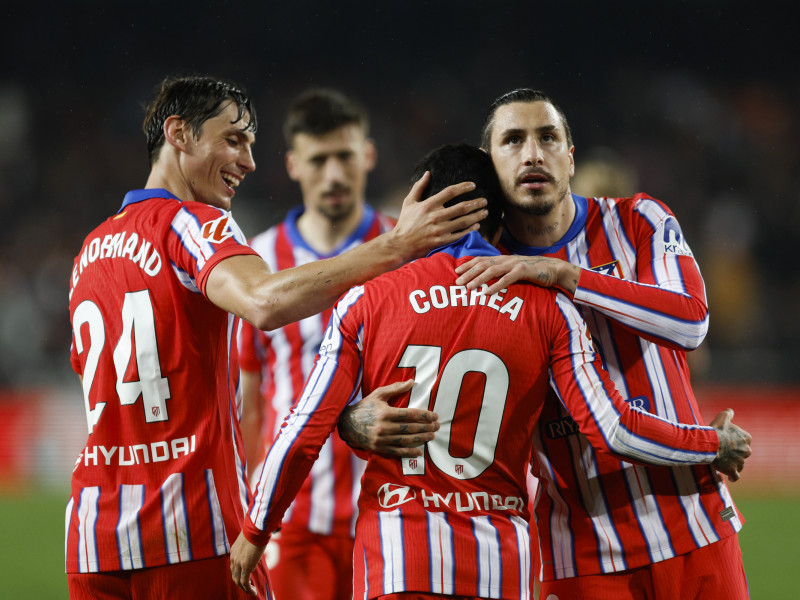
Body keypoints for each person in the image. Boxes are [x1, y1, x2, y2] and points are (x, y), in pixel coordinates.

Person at [228, 143, 750, 599]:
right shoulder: (548, 308)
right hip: (500, 563)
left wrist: (255, 532)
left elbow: (301, 431)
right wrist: (710, 443)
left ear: (416, 208)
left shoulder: (366, 301)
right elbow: (610, 428)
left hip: (398, 553)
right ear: (501, 218)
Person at [64, 75, 487, 600]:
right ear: (179, 134)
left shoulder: (91, 249)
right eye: (233, 140)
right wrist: (397, 245)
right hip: (189, 529)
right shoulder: (193, 224)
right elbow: (264, 302)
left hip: (93, 536)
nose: (248, 161)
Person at [237, 88, 402, 600]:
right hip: (293, 520)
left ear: (368, 156)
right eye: (318, 159)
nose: (333, 174)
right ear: (292, 164)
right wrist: (248, 500)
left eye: (345, 156)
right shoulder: (257, 265)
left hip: (389, 508)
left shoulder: (409, 255)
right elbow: (248, 398)